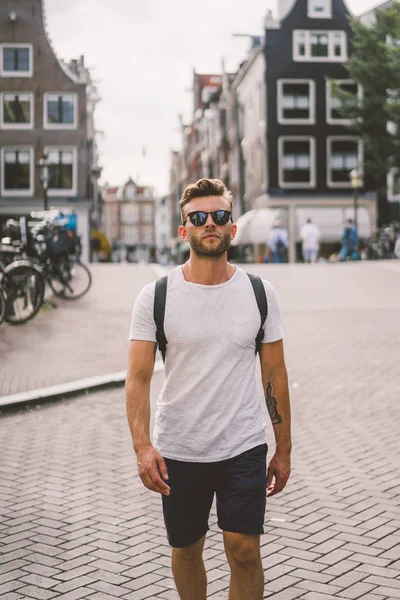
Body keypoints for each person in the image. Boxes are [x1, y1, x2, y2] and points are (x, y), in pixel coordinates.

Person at [126, 178, 292, 600]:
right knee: (185, 550)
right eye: (198, 218)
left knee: (245, 551)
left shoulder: (260, 294)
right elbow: (138, 378)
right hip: (180, 447)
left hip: (243, 445)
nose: (210, 224)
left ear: (232, 227)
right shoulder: (155, 297)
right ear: (184, 231)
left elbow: (274, 372)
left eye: (219, 216)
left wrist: (283, 449)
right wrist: (143, 447)